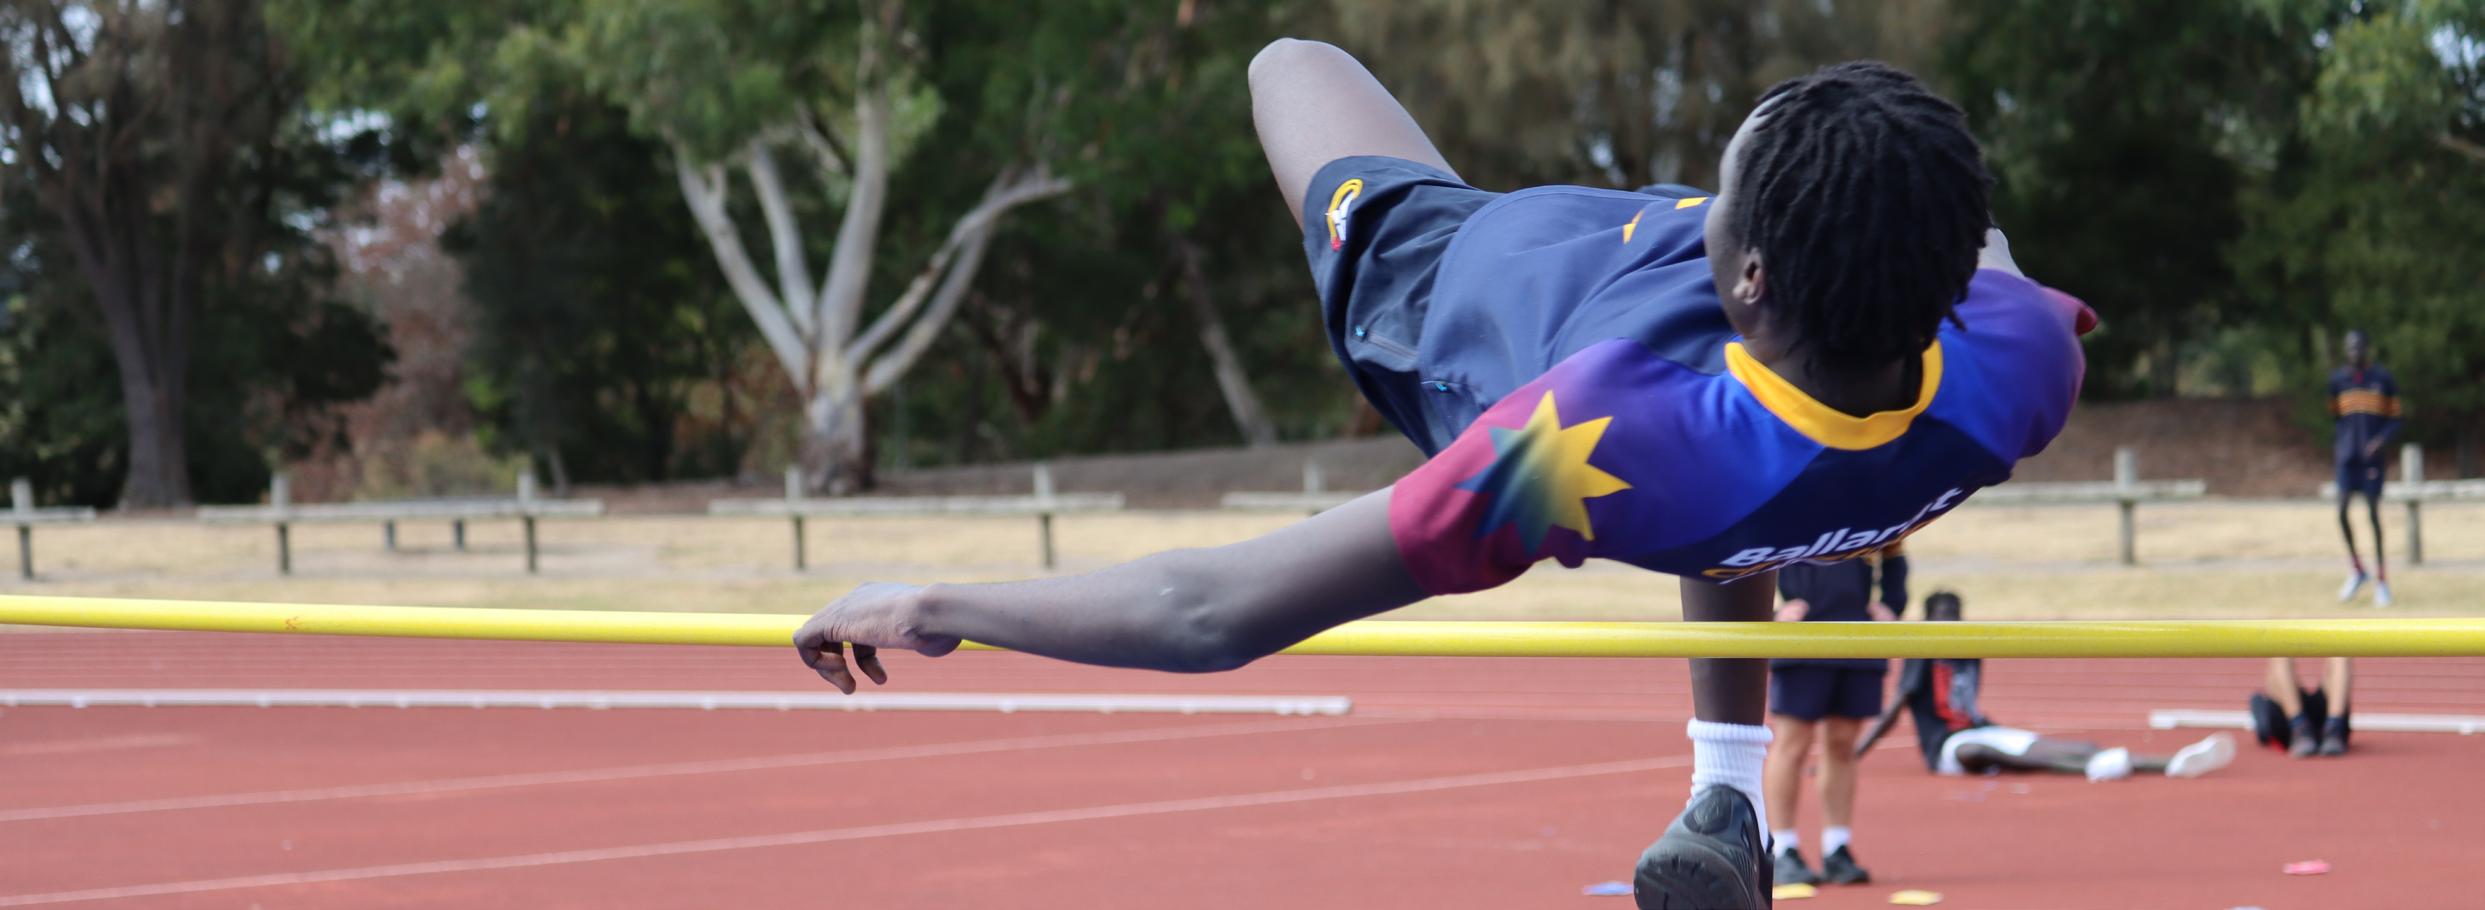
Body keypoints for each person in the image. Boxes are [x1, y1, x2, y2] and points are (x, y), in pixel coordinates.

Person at [793, 41, 2093, 910]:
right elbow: (1950, 254)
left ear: (1748, 276)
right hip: (1692, 355)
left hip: (1452, 296)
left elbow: (1213, 609)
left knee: (1286, 61)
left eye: (1723, 197)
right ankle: (1728, 794)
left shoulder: (1587, 436)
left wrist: (942, 602)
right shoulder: (2021, 361)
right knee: (1742, 490)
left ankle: (1729, 789)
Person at [1857, 592, 2236, 780]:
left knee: (2074, 746)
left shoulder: (1969, 649)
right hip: (1946, 746)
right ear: (1927, 621)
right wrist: (1854, 753)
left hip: (1981, 728)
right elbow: (1896, 708)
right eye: (1942, 616)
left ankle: (2169, 763)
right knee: (1980, 750)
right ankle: (2087, 768)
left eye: (1955, 615)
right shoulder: (1922, 653)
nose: (1950, 623)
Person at [1764, 545, 1907, 887]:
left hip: (1857, 634)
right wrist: (1771, 612)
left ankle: (1837, 848)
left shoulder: (1870, 515)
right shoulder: (1782, 511)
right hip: (1801, 636)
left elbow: (1895, 547)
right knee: (1793, 743)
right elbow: (1749, 553)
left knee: (1843, 743)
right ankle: (1782, 849)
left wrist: (1892, 603)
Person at [2330, 329, 2400, 606]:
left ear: (2367, 348)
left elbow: (2396, 418)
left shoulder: (2382, 379)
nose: (2354, 351)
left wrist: (2380, 440)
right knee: (2341, 511)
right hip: (2348, 459)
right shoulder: (2338, 381)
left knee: (2373, 514)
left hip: (2372, 460)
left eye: (2358, 346)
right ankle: (2358, 570)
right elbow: (2336, 417)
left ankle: (2382, 580)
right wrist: (2344, 444)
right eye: (2350, 347)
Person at [2254, 657, 2353, 757]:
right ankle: (2298, 725)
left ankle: (2334, 726)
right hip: (2287, 721)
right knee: (2279, 656)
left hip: (2326, 715)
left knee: (2341, 656)